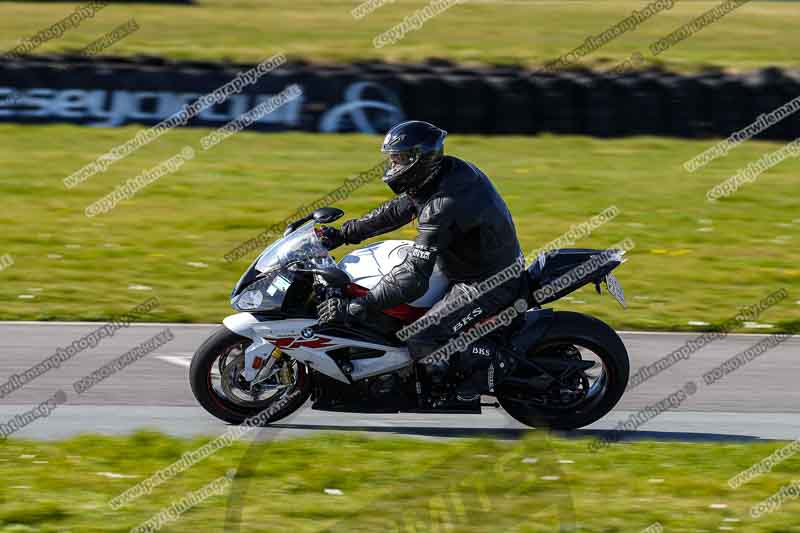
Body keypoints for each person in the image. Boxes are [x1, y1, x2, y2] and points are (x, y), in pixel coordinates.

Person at [316, 120, 525, 404]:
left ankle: (452, 389)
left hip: (487, 282)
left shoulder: (444, 204)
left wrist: (357, 307)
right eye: (392, 158)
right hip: (465, 264)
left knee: (421, 335)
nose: (393, 165)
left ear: (420, 159)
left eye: (399, 159)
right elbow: (396, 211)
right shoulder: (441, 174)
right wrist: (344, 234)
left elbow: (414, 278)